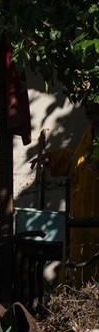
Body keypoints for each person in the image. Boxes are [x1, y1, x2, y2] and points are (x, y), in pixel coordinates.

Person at [34, 100, 99, 286]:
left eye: (95, 109)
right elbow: (76, 160)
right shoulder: (89, 135)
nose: (90, 113)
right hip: (81, 217)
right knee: (78, 262)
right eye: (87, 108)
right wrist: (52, 159)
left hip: (95, 217)